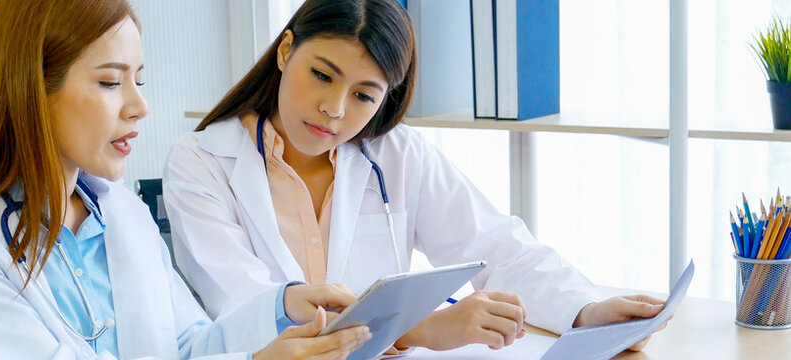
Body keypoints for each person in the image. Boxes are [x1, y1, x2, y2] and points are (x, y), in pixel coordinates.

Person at [0, 0, 372, 359]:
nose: (140, 105)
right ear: (30, 89)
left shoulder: (121, 212)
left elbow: (185, 346)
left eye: (138, 79)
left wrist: (282, 310)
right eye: (110, 81)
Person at [164, 0, 668, 353]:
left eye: (364, 95)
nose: (333, 110)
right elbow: (249, 314)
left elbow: (498, 248)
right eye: (322, 74)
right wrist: (416, 330)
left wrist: (586, 310)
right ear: (285, 49)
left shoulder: (396, 153)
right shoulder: (201, 163)